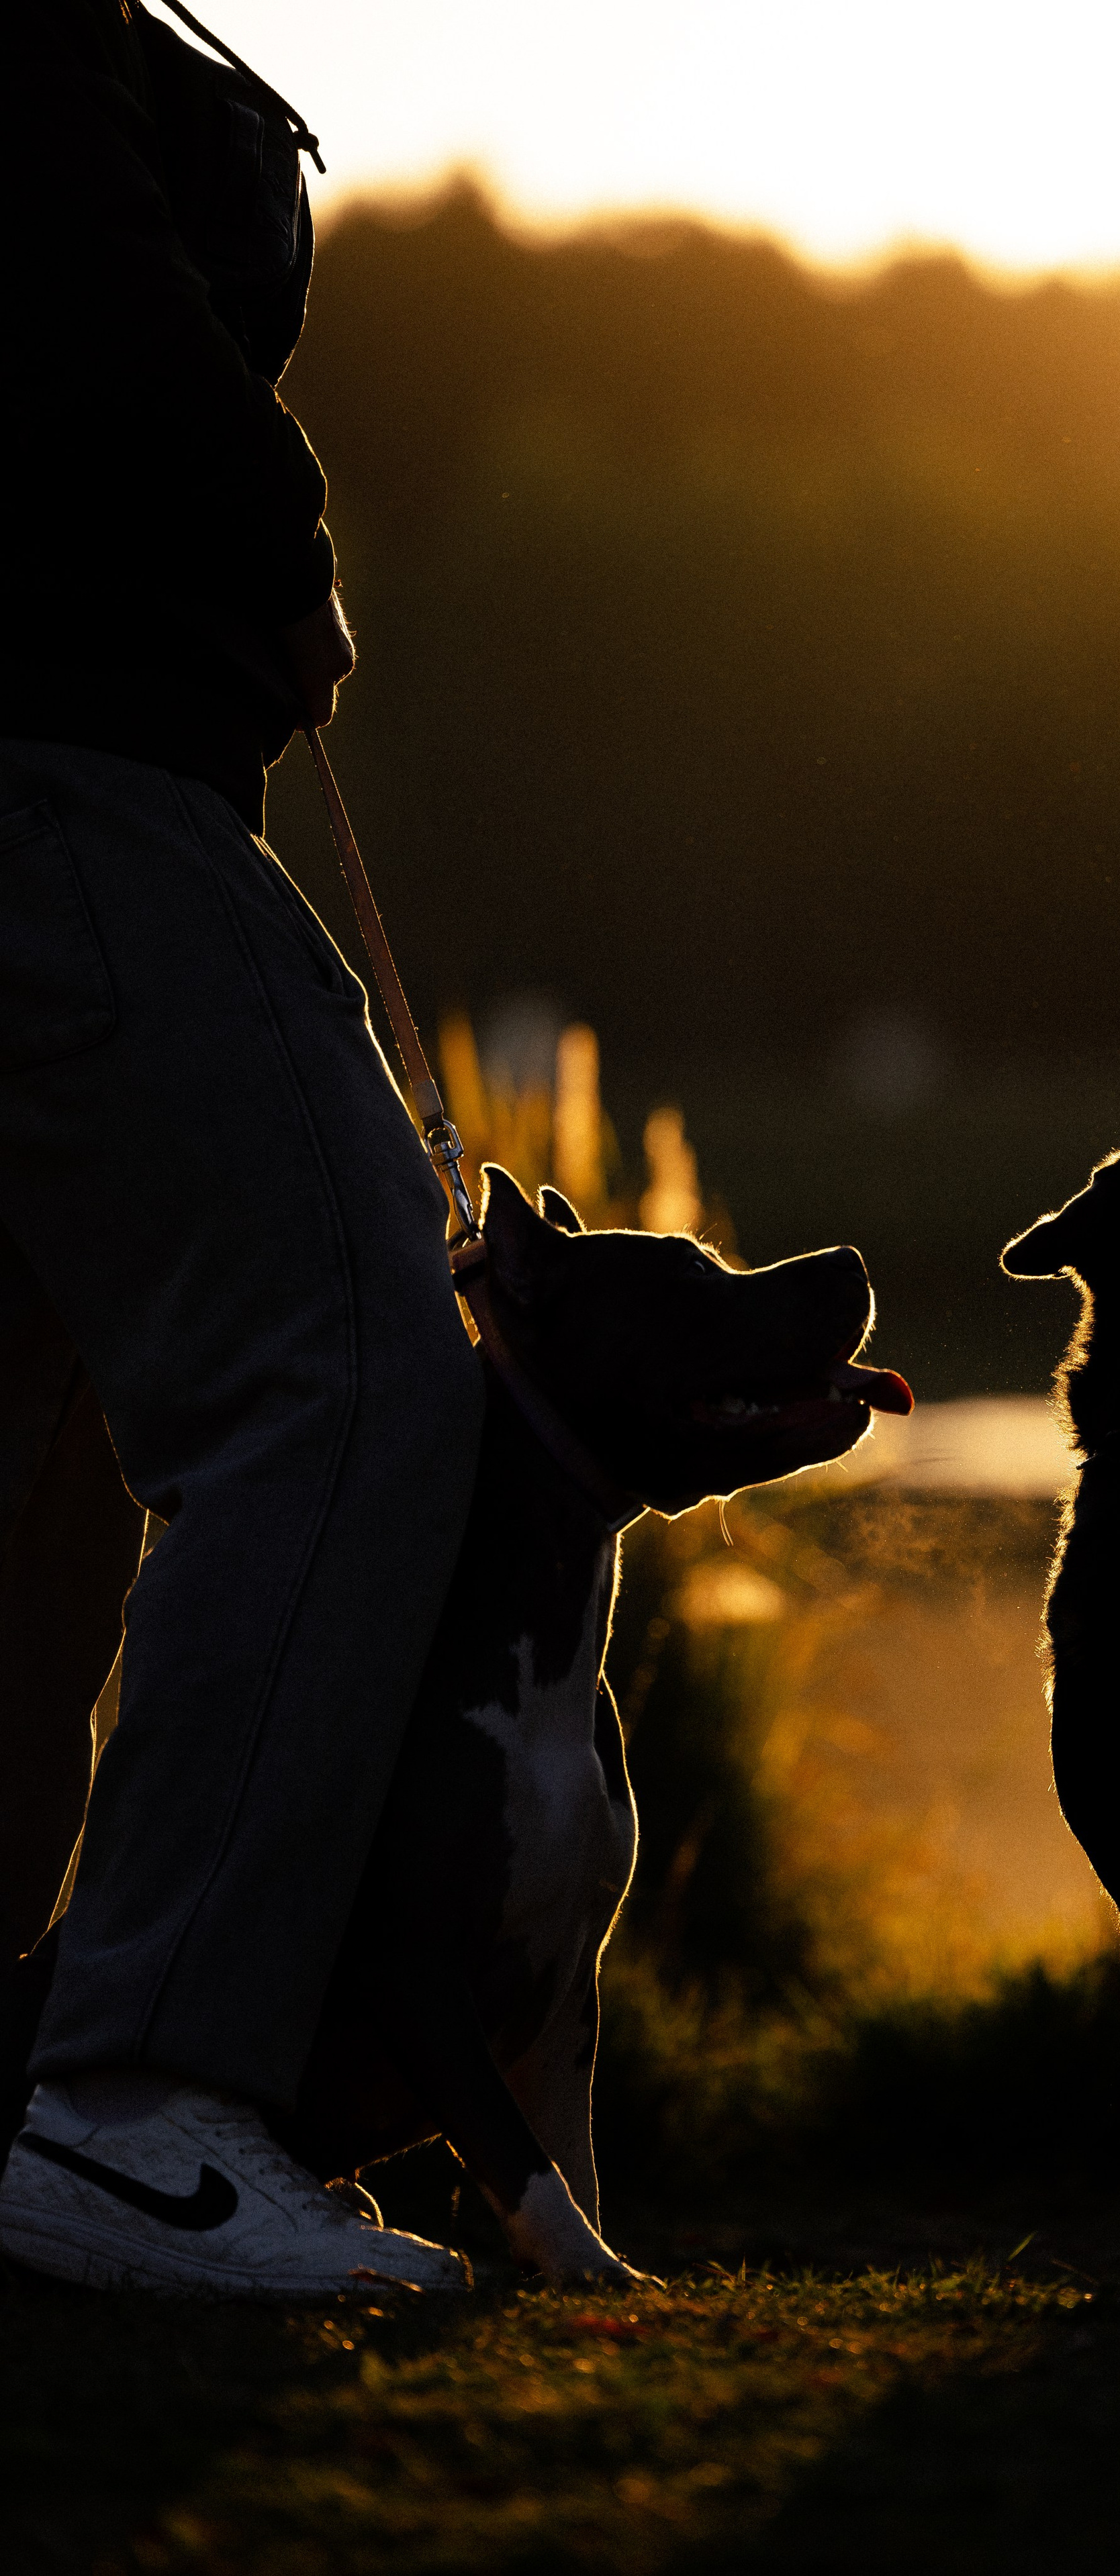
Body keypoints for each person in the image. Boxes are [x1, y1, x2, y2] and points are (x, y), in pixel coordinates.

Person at [0, 1, 485, 2295]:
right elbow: (67, 253)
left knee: (36, 1463)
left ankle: (28, 2113)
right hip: (77, 776)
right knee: (353, 1361)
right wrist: (274, 538)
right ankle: (130, 2113)